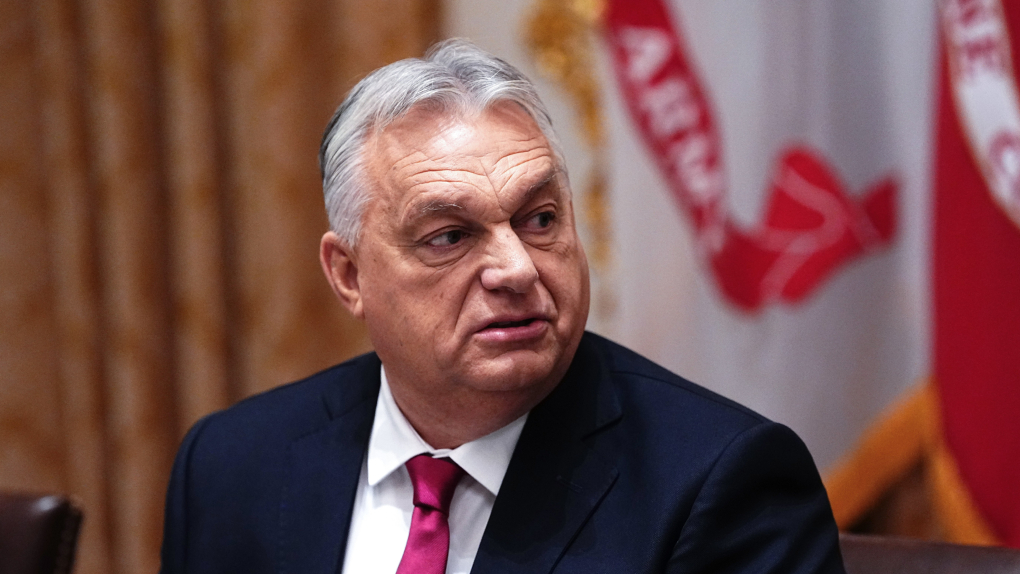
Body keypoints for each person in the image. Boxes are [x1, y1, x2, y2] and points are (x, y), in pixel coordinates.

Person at [160, 39, 845, 574]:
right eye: (450, 237)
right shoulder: (231, 466)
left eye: (539, 219)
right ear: (348, 275)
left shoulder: (720, 483)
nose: (517, 269)